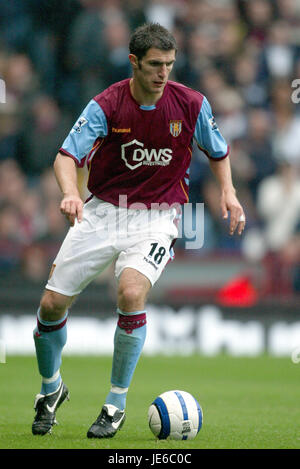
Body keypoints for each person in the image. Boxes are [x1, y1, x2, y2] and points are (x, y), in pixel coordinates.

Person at [32, 23, 246, 438]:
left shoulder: (191, 104)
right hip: (101, 212)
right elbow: (66, 155)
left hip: (157, 216)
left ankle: (115, 404)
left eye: (169, 64)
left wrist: (229, 191)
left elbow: (218, 150)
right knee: (50, 306)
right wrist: (70, 193)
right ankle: (50, 389)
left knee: (131, 293)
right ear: (134, 62)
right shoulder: (107, 104)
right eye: (154, 65)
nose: (163, 73)